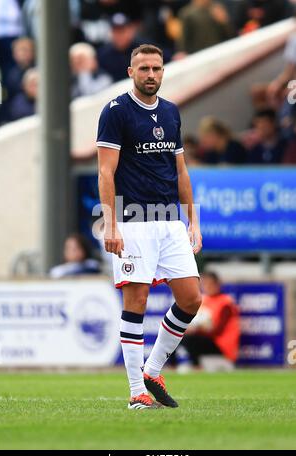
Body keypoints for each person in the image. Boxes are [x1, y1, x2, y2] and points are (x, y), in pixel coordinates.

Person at [97, 44, 202, 410]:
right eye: (144, 69)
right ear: (131, 72)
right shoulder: (115, 111)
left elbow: (181, 171)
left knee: (191, 298)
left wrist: (194, 221)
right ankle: (135, 393)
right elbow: (105, 171)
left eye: (156, 68)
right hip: (133, 220)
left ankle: (153, 370)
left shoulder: (171, 112)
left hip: (170, 221)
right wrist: (110, 223)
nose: (151, 75)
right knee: (136, 302)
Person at [171, 271, 240, 367]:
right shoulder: (203, 300)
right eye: (204, 284)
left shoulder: (226, 303)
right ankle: (172, 366)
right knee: (175, 334)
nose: (207, 287)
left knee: (191, 339)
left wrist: (197, 329)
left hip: (220, 345)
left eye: (209, 284)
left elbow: (217, 331)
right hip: (205, 337)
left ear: (217, 284)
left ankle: (197, 366)